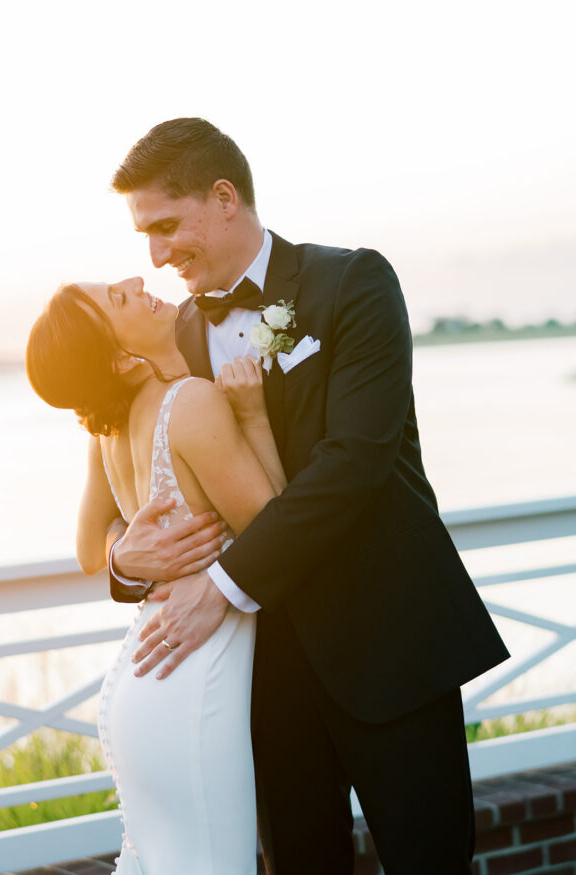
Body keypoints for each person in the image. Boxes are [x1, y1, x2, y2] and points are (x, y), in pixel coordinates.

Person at [106, 118, 510, 874]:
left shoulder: (352, 282)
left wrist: (224, 583)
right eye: (145, 237)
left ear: (224, 198)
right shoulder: (175, 338)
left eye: (165, 226)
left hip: (388, 643)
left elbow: (354, 461)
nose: (156, 258)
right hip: (261, 679)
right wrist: (124, 561)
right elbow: (127, 490)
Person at [26, 278, 287, 874]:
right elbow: (276, 526)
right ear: (120, 358)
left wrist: (123, 552)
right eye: (117, 298)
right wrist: (252, 414)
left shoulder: (107, 430)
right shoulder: (192, 402)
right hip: (191, 675)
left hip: (141, 679)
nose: (135, 281)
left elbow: (90, 550)